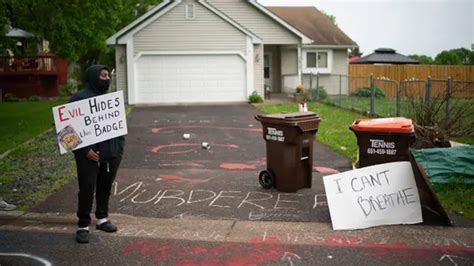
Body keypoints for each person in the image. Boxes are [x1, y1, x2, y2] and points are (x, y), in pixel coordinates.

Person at [69, 65, 125, 244]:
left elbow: (119, 128)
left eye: (108, 75)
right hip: (88, 154)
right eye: (103, 76)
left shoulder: (111, 100)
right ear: (93, 77)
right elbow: (68, 131)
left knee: (105, 187)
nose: (107, 78)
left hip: (111, 153)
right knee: (87, 188)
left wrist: (118, 150)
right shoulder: (78, 98)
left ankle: (102, 219)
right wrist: (85, 151)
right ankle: (83, 225)